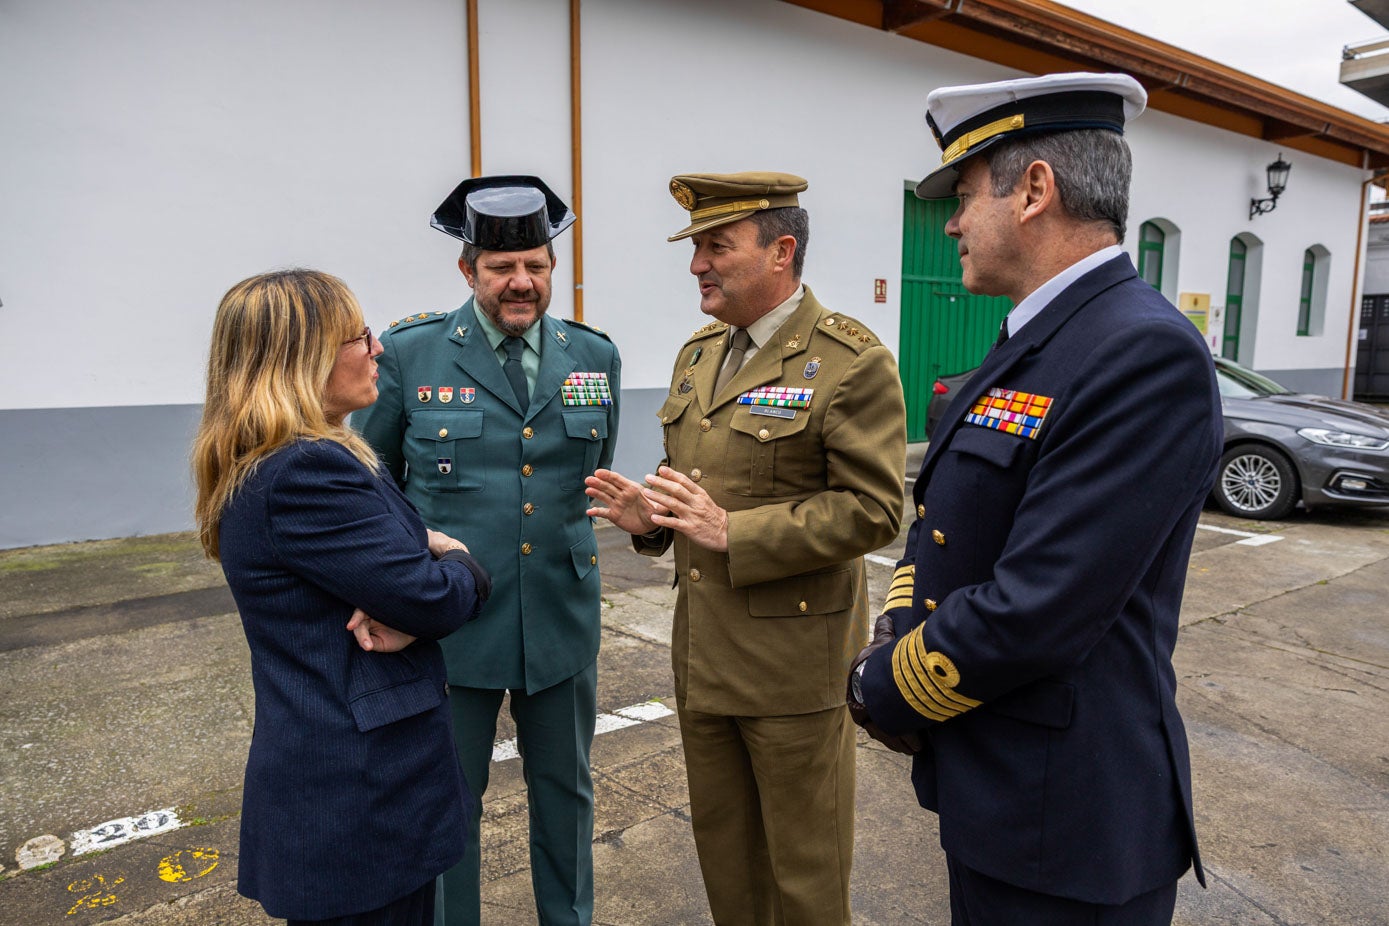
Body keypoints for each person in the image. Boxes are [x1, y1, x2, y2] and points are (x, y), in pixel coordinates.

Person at [847, 73, 1221, 924]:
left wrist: (884, 683)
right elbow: (942, 527)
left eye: (966, 195)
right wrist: (894, 624)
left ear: (1035, 192)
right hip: (1000, 794)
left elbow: (1042, 604)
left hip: (1072, 820)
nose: (950, 222)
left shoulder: (1139, 352)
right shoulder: (1037, 338)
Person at [585, 171, 906, 926]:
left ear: (779, 251)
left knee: (804, 871)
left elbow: (876, 509)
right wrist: (651, 521)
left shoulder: (849, 360)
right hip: (704, 657)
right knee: (725, 856)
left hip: (793, 668)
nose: (697, 264)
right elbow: (699, 490)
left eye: (715, 247)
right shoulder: (700, 354)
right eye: (696, 247)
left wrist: (736, 533)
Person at [355, 175, 620, 926]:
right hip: (452, 625)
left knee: (566, 793)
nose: (521, 282)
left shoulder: (593, 356)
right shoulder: (411, 354)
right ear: (467, 272)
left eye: (535, 265)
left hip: (562, 619)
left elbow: (585, 478)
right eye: (503, 268)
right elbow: (374, 490)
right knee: (449, 802)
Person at [192, 269, 492, 926]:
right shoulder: (306, 469)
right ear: (303, 359)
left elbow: (405, 588)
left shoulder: (303, 456)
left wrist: (418, 585)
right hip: (358, 801)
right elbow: (432, 597)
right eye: (355, 336)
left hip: (352, 794)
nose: (376, 348)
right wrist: (464, 562)